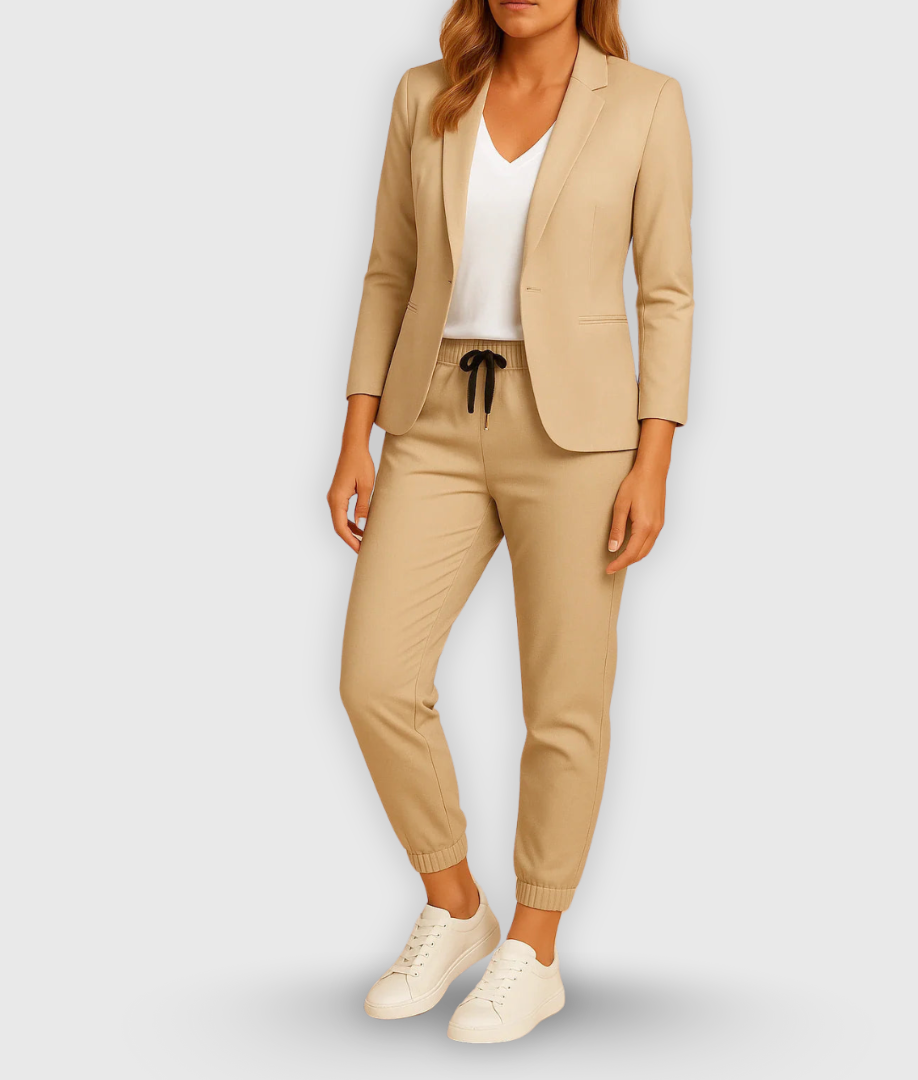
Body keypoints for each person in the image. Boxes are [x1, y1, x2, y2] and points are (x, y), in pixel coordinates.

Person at [327, 0, 692, 1043]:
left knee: (564, 699)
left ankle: (534, 945)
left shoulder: (647, 105)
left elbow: (666, 293)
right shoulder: (426, 96)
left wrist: (654, 456)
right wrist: (357, 432)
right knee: (374, 679)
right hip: (433, 416)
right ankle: (457, 907)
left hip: (578, 434)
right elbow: (390, 269)